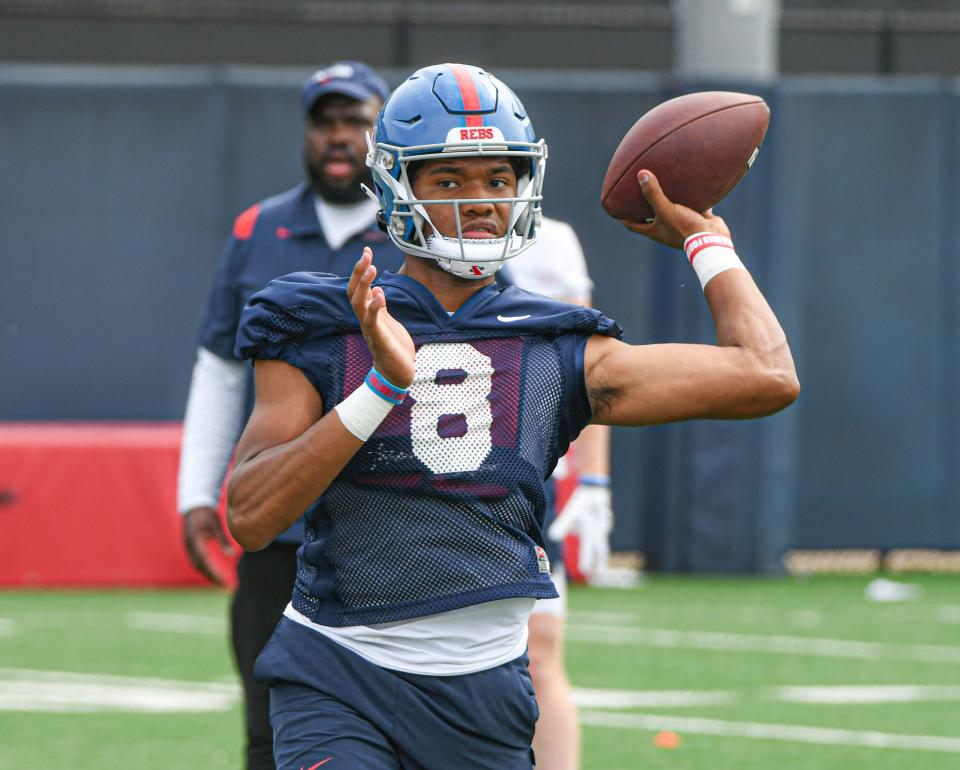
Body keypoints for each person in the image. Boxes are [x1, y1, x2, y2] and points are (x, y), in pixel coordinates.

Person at [227, 63, 799, 769]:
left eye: (498, 180)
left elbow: (767, 374)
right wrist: (379, 388)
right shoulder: (323, 319)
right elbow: (249, 516)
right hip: (341, 672)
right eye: (450, 180)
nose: (481, 203)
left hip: (485, 692)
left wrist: (707, 242)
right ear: (396, 186)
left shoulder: (557, 344)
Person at [176, 61, 403, 770]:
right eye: (326, 122)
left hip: (395, 527)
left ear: (385, 132)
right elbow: (218, 367)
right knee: (269, 732)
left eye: (357, 121)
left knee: (401, 729)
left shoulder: (423, 225)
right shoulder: (258, 228)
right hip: (281, 530)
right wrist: (195, 490)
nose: (339, 137)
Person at [499, 216, 614, 770]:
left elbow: (587, 367)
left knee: (540, 653)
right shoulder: (387, 234)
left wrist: (592, 482)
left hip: (519, 480)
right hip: (410, 479)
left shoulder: (552, 242)